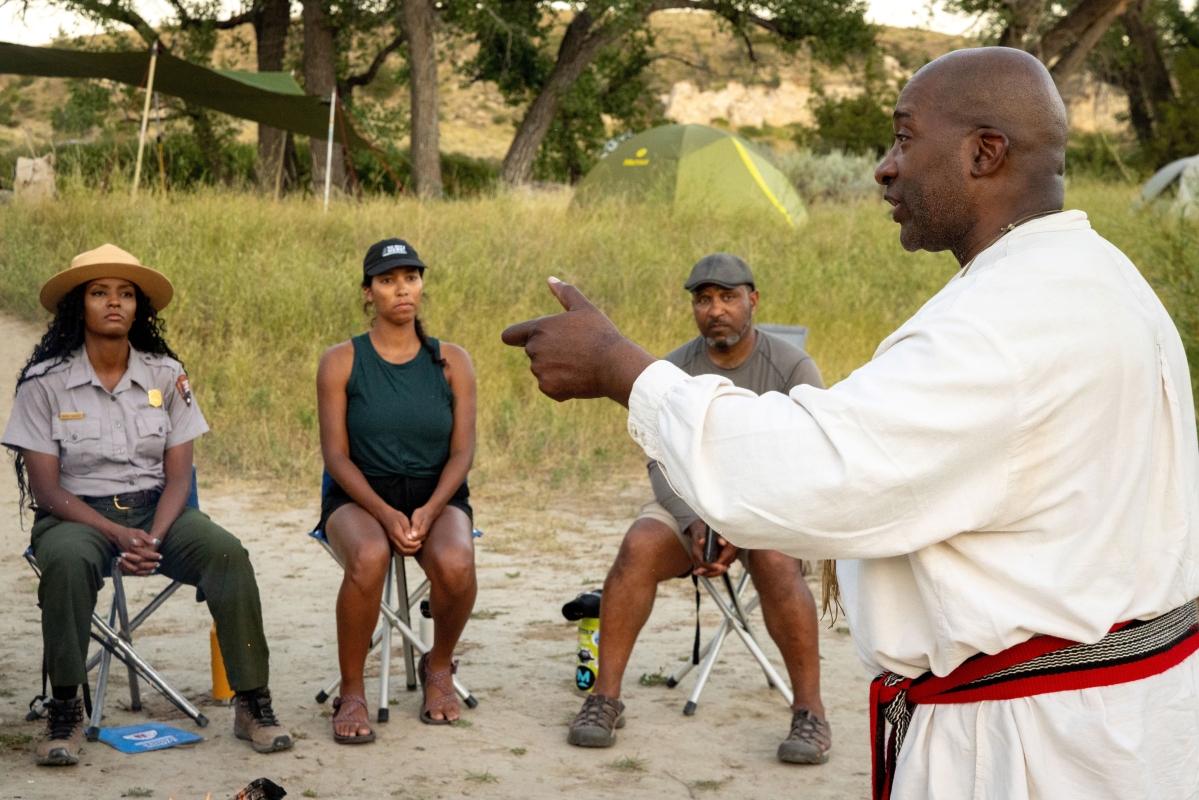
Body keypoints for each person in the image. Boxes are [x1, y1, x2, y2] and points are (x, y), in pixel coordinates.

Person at [502, 47, 1199, 800]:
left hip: (1030, 751)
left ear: (983, 153)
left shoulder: (1004, 323)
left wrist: (619, 369)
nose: (883, 167)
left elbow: (807, 476)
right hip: (1120, 722)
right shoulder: (1099, 276)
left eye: (903, 138)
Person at [3, 244, 292, 767]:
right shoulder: (44, 383)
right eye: (99, 292)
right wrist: (115, 534)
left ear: (140, 308)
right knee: (66, 563)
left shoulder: (165, 375)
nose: (114, 303)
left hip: (159, 514)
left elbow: (180, 474)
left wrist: (153, 536)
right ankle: (63, 709)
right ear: (78, 305)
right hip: (77, 516)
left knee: (229, 553)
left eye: (126, 293)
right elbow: (47, 491)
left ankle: (252, 702)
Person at [566, 253, 833, 764]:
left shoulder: (792, 367)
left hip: (765, 508)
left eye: (728, 297)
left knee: (777, 562)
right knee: (639, 545)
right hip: (687, 505)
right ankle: (604, 697)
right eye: (703, 298)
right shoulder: (668, 371)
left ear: (752, 301)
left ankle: (810, 711)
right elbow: (658, 459)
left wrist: (739, 518)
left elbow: (808, 455)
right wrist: (693, 520)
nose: (716, 310)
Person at [316, 238, 477, 743]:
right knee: (368, 555)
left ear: (422, 285)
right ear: (369, 293)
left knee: (456, 561)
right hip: (360, 497)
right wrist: (386, 514)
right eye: (387, 280)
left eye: (410, 277)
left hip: (438, 494)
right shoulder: (341, 361)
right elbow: (336, 458)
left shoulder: (452, 362)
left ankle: (439, 666)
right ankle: (353, 688)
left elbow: (462, 453)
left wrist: (429, 510)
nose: (401, 289)